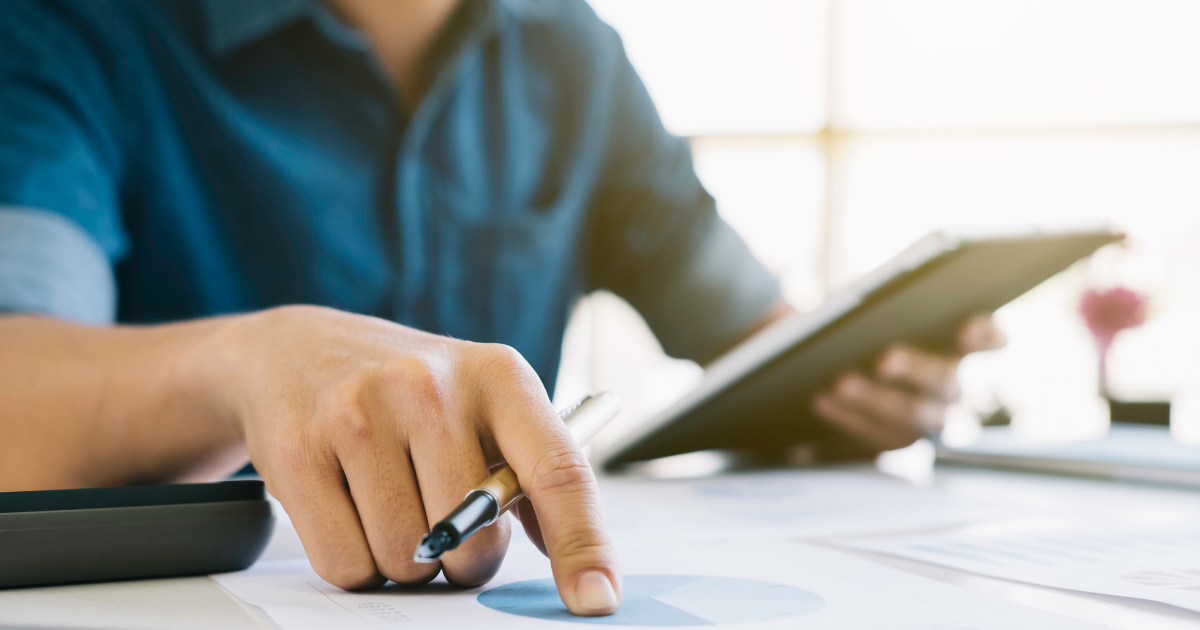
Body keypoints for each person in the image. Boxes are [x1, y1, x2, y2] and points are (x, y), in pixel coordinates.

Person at [0, 0, 1003, 616]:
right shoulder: (76, 24)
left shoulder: (574, 51)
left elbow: (758, 341)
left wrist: (866, 379)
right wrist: (246, 364)